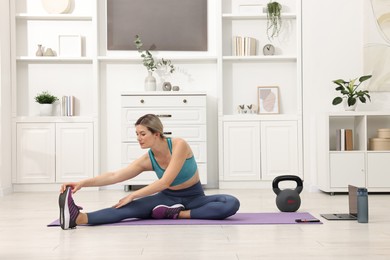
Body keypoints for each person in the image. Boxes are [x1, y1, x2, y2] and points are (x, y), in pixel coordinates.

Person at [59, 114, 240, 230]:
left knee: (231, 203)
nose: (138, 138)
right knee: (126, 209)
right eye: (137, 134)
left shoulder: (179, 145)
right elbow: (115, 176)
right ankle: (78, 218)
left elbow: (164, 182)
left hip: (195, 198)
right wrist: (82, 183)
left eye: (142, 134)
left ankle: (176, 214)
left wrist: (133, 194)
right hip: (167, 199)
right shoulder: (148, 159)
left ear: (157, 133)